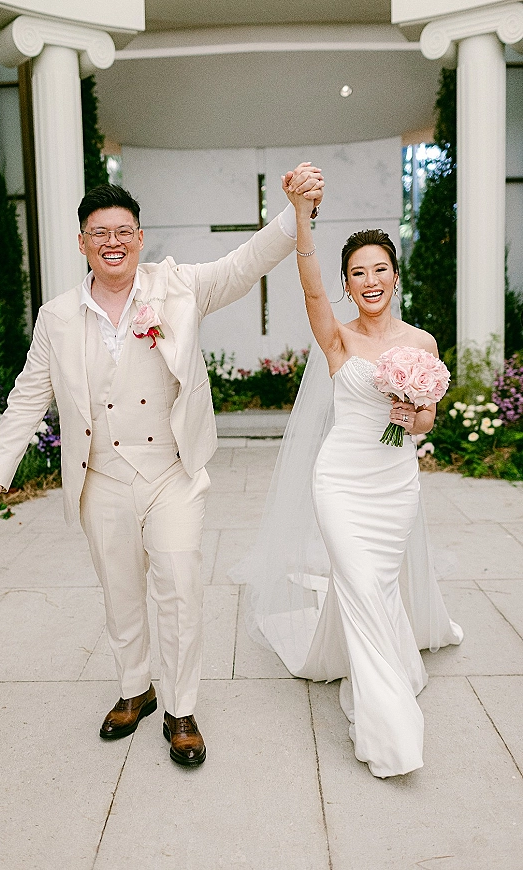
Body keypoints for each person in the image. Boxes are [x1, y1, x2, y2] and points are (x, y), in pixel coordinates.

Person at [0, 164, 324, 767]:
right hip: (101, 476)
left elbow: (244, 263)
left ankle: (182, 708)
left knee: (181, 584)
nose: (113, 241)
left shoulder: (178, 287)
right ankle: (136, 688)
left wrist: (296, 210)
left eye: (124, 230)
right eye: (100, 232)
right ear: (81, 242)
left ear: (139, 236)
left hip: (171, 472)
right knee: (120, 593)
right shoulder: (57, 317)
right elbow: (30, 396)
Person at [233, 183, 463, 778]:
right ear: (346, 283)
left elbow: (428, 418)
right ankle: (388, 725)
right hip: (340, 481)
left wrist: (413, 415)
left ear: (394, 274)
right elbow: (308, 284)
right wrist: (302, 219)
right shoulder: (338, 339)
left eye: (379, 269)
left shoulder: (422, 344)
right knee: (359, 583)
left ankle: (394, 665)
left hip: (395, 485)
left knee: (378, 585)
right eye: (357, 272)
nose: (370, 280)